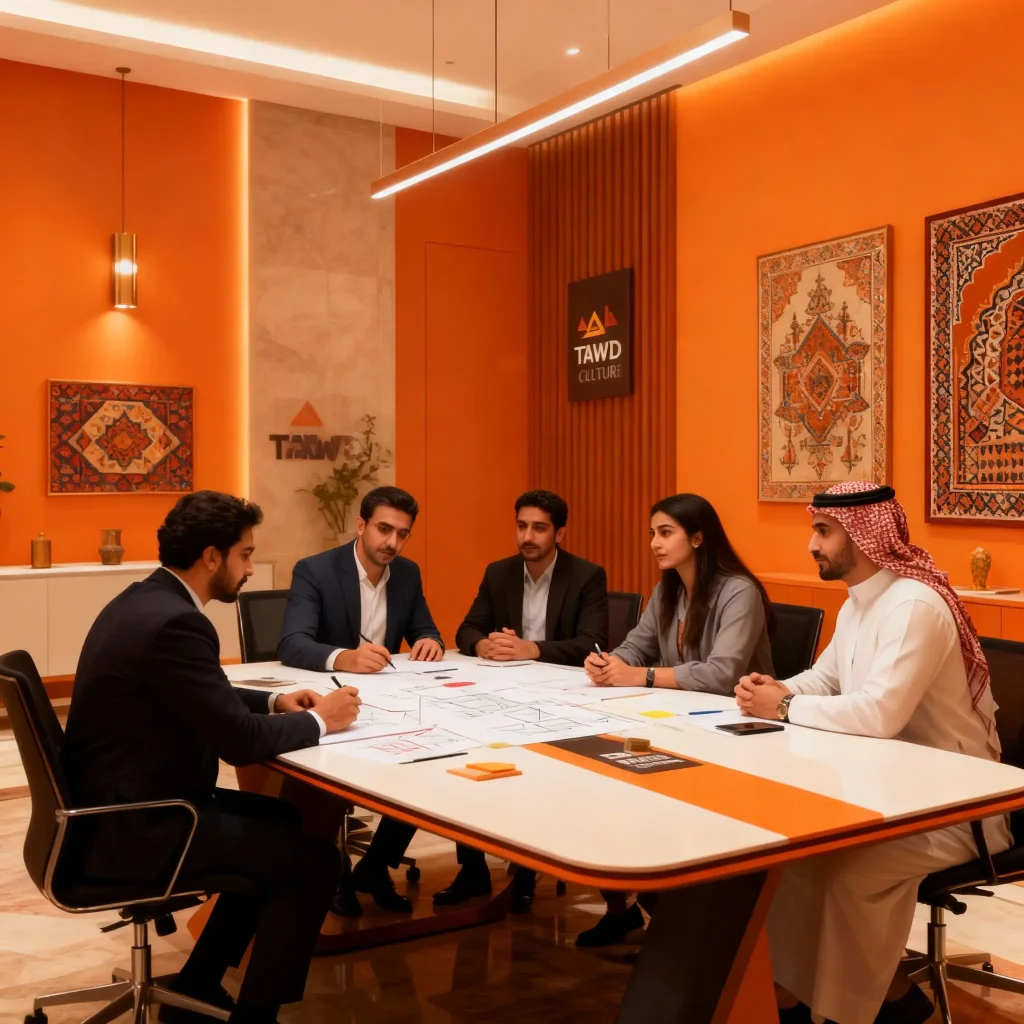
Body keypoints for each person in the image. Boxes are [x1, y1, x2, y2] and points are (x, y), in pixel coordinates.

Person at [62, 491, 362, 1024]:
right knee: (315, 862)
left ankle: (198, 984)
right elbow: (238, 742)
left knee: (284, 821)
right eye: (245, 555)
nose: (250, 569)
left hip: (115, 808)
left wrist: (273, 701)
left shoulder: (144, 599)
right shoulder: (178, 623)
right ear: (210, 557)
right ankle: (256, 1016)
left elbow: (197, 692)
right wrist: (323, 720)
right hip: (141, 825)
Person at [734, 481, 1009, 1024]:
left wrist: (783, 707)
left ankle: (865, 1010)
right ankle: (810, 998)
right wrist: (777, 689)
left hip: (957, 808)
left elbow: (880, 714)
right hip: (888, 791)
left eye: (823, 531)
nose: (812, 545)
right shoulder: (860, 603)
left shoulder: (914, 606)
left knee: (849, 873)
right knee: (792, 859)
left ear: (863, 536)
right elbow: (826, 680)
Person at [579, 492, 775, 947]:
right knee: (607, 787)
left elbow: (722, 673)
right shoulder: (668, 589)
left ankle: (680, 926)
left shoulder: (738, 591)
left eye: (665, 533)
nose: (654, 543)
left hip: (739, 733)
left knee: (648, 805)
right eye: (652, 533)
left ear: (698, 538)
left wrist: (641, 675)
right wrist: (609, 663)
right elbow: (636, 645)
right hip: (679, 722)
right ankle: (629, 908)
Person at [437, 490, 609, 911]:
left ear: (560, 533)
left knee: (536, 769)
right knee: (466, 749)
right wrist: (484, 645)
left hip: (566, 698)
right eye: (521, 526)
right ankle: (473, 868)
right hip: (504, 692)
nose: (527, 536)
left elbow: (593, 642)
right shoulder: (500, 573)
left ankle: (528, 869)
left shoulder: (586, 576)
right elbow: (466, 629)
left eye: (539, 528)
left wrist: (531, 649)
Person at [278, 485, 444, 917]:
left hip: (390, 699)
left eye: (402, 534)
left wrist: (430, 640)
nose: (392, 542)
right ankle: (331, 871)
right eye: (384, 529)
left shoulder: (407, 573)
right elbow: (292, 643)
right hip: (330, 700)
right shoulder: (315, 570)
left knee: (432, 756)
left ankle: (374, 865)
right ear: (361, 525)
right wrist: (344, 657)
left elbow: (426, 628)